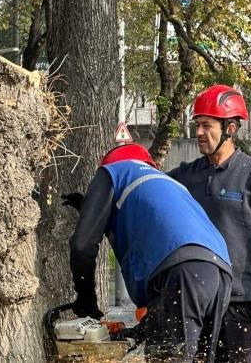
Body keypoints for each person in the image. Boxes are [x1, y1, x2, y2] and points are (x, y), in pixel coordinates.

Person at [64, 143, 232, 362]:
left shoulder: (113, 172)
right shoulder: (166, 185)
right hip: (220, 271)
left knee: (167, 357)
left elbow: (82, 246)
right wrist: (142, 330)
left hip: (183, 268)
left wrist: (87, 304)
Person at [166, 84, 251, 362]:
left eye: (206, 125)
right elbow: (150, 192)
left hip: (238, 301)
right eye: (196, 124)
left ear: (231, 128)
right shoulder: (185, 176)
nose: (198, 132)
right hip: (196, 303)